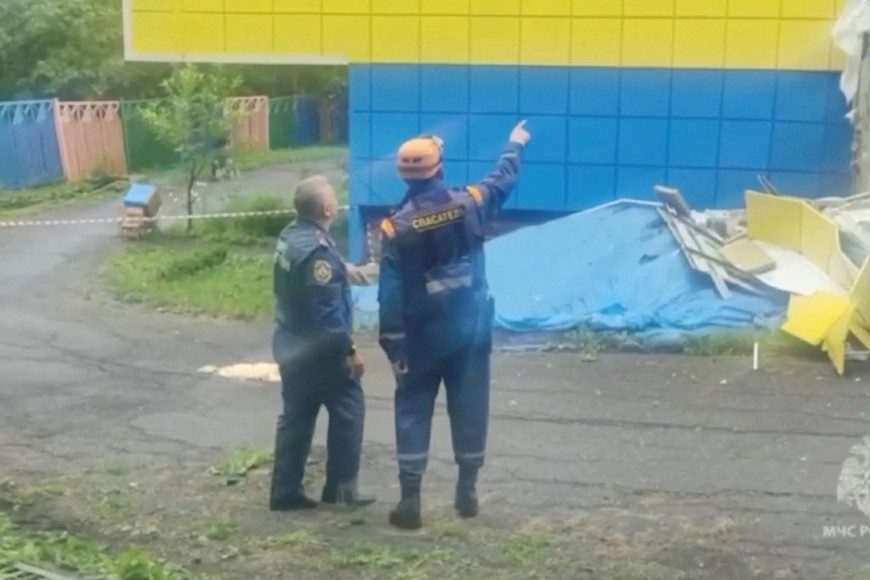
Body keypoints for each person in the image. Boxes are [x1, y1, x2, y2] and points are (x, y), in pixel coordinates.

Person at [377, 121, 532, 530]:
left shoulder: (396, 227)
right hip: (469, 332)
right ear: (439, 168)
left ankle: (410, 501)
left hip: (419, 338)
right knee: (470, 406)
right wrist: (514, 143)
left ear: (402, 174)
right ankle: (467, 492)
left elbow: (389, 296)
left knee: (412, 410)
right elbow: (501, 180)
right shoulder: (470, 202)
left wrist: (394, 346)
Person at [269, 175, 375, 511]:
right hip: (322, 353)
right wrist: (351, 351)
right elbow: (329, 316)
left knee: (296, 418)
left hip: (289, 342)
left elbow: (320, 271)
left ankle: (284, 492)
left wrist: (353, 270)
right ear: (328, 208)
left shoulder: (291, 236)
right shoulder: (319, 253)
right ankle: (342, 490)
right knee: (349, 411)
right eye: (334, 198)